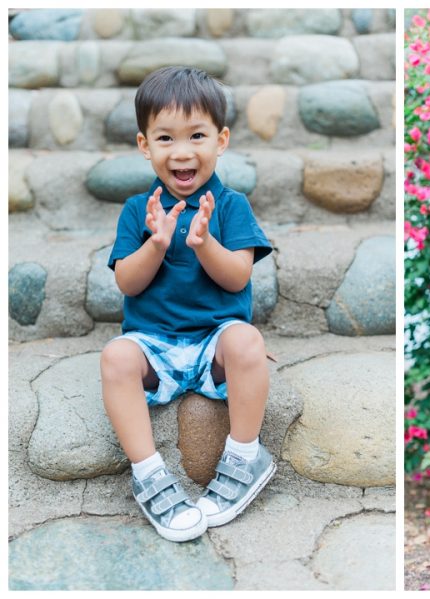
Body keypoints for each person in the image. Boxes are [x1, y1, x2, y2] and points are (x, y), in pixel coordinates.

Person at [100, 66, 275, 543]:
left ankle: (244, 455)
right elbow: (127, 285)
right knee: (115, 356)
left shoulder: (231, 205)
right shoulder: (139, 211)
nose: (181, 151)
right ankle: (150, 474)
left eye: (196, 135)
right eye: (165, 138)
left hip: (213, 348)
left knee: (247, 341)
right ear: (144, 145)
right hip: (153, 348)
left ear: (220, 141)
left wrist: (203, 245)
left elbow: (237, 275)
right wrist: (155, 245)